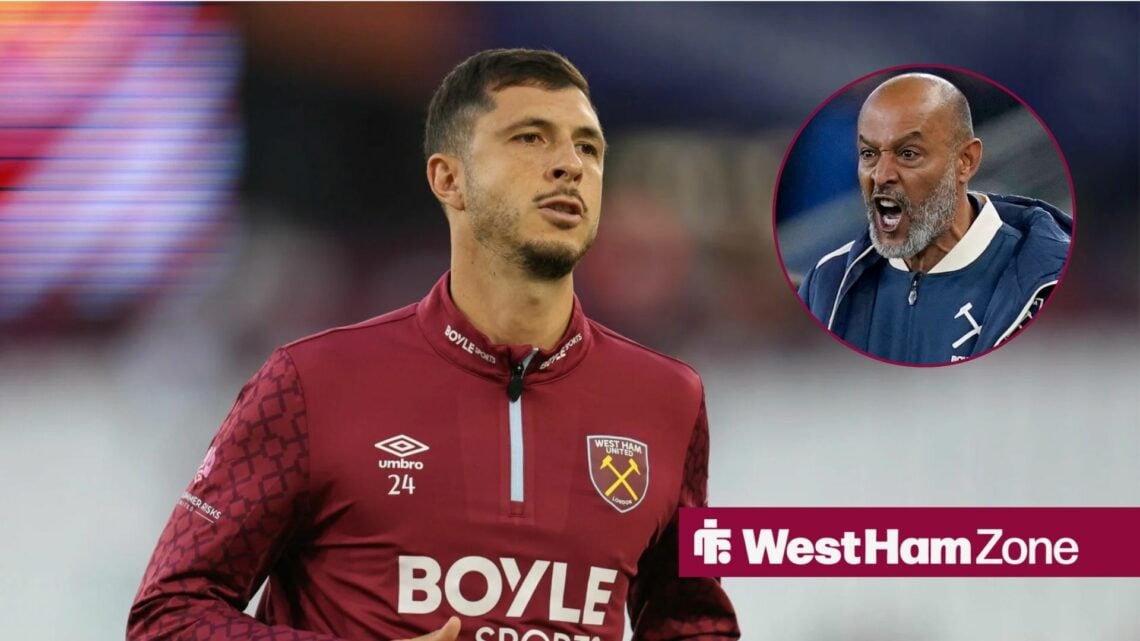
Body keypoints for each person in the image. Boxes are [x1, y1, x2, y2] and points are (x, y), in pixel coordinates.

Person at [128, 48, 740, 641]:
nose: (570, 165)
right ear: (449, 179)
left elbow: (692, 622)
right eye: (530, 138)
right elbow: (168, 616)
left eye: (588, 147)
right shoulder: (310, 384)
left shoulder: (668, 400)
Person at [797, 72, 1072, 365]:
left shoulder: (1048, 282)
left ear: (965, 161)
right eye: (869, 154)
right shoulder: (827, 284)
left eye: (908, 153)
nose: (881, 175)